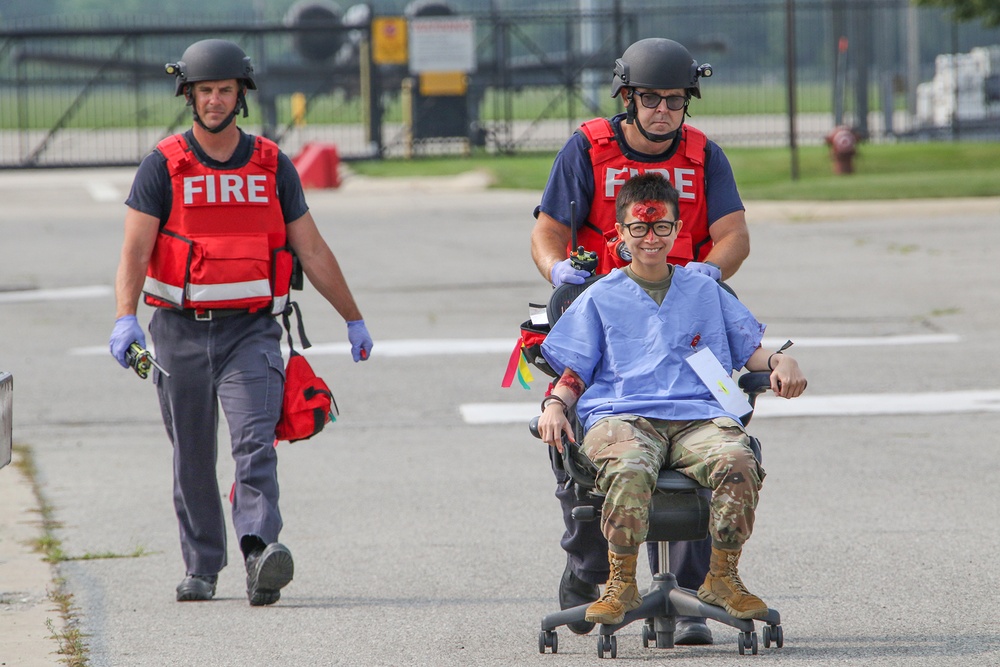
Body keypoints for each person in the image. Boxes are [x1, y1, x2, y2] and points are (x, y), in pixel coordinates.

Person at [108, 39, 373, 606]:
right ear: (189, 95)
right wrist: (124, 318)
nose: (213, 100)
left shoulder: (272, 165)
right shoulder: (163, 165)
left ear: (240, 95)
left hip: (251, 331)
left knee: (255, 444)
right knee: (193, 455)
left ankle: (259, 553)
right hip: (177, 331)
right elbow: (134, 252)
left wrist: (353, 318)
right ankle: (202, 566)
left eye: (224, 90)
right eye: (204, 90)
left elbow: (312, 249)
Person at [529, 37, 751, 643]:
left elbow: (733, 234)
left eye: (674, 100)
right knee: (595, 455)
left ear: (687, 102)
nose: (662, 110)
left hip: (682, 315)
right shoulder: (587, 150)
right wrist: (559, 275)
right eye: (649, 99)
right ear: (627, 99)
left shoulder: (704, 156)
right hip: (603, 316)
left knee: (704, 434)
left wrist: (711, 271)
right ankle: (592, 569)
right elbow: (548, 230)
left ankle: (688, 592)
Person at [537, 173, 806, 628]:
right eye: (638, 228)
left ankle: (721, 577)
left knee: (738, 460)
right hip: (624, 415)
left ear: (678, 231)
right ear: (620, 233)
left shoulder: (705, 291)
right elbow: (574, 370)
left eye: (661, 227)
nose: (650, 238)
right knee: (629, 466)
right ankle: (621, 583)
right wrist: (555, 404)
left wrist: (781, 360)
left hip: (697, 417)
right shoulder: (600, 296)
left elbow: (748, 349)